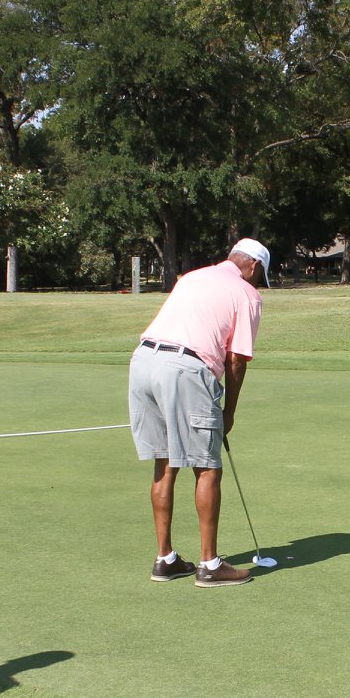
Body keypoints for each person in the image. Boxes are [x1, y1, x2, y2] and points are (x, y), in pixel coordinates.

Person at [129, 237, 268, 588]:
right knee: (207, 467)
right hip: (185, 369)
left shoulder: (192, 276)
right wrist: (229, 412)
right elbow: (237, 360)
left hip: (143, 360)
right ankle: (209, 566)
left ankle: (166, 560)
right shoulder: (247, 293)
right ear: (253, 266)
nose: (256, 282)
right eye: (258, 275)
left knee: (165, 461)